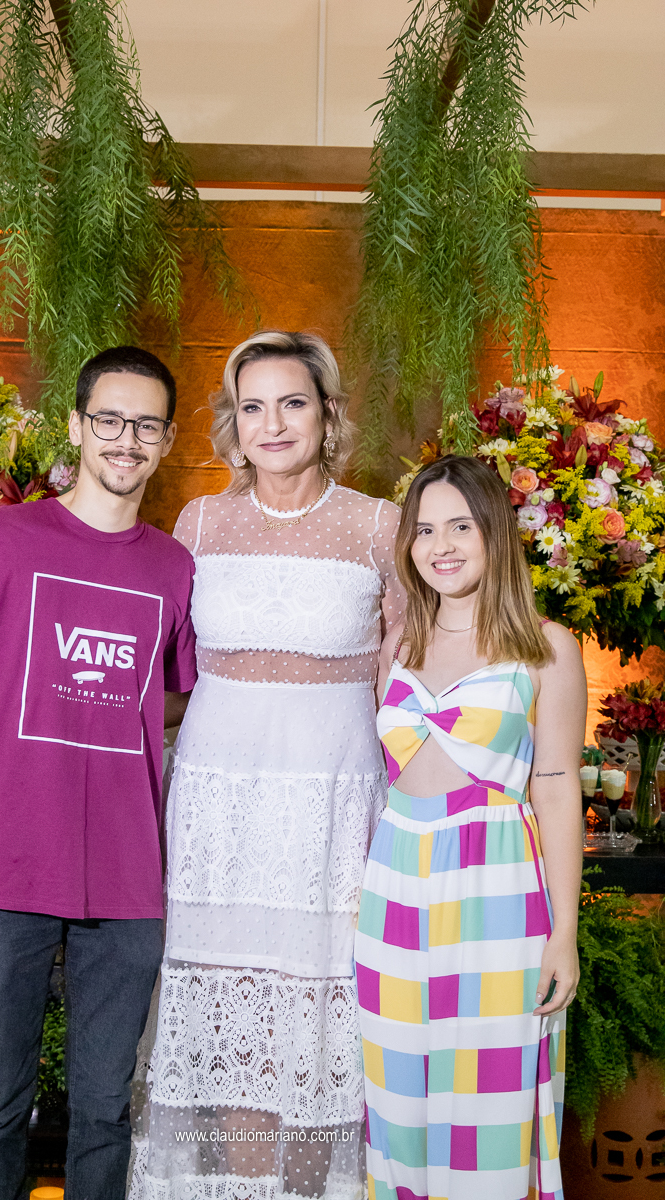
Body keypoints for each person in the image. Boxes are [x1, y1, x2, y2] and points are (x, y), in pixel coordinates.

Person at [0, 346, 198, 1200]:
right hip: (2, 870)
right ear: (76, 426)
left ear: (167, 440)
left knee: (106, 1112)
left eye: (146, 425)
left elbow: (174, 698)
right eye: (109, 419)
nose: (126, 439)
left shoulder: (174, 568)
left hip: (127, 878)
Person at [129, 330, 404, 1200]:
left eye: (293, 403)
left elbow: (409, 676)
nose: (273, 423)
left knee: (319, 1018)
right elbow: (166, 670)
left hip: (332, 809)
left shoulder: (379, 525)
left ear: (328, 415)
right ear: (233, 423)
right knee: (226, 1019)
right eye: (253, 406)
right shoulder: (200, 522)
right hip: (217, 809)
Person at [355, 454, 585, 1200]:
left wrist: (563, 932)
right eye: (425, 530)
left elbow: (557, 791)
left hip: (498, 890)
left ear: (494, 533)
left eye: (460, 526)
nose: (441, 546)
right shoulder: (397, 644)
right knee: (397, 1097)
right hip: (394, 889)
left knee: (491, 1101)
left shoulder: (545, 648)